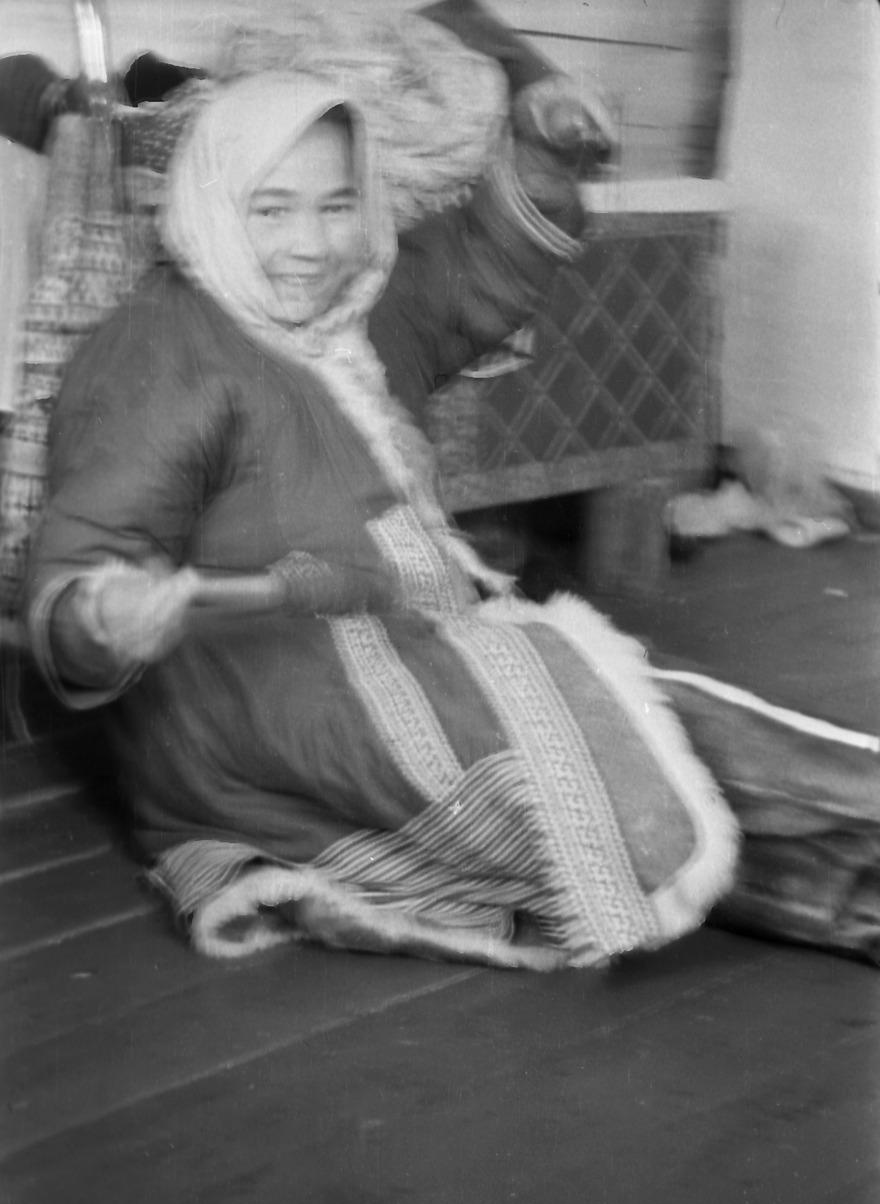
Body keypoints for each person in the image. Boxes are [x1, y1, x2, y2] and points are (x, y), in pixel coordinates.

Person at [23, 69, 744, 967]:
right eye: (271, 210)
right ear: (212, 201)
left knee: (666, 736)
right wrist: (102, 616)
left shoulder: (353, 310)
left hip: (399, 632)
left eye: (336, 206)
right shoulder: (154, 352)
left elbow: (472, 266)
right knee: (628, 756)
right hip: (254, 702)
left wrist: (544, 154)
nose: (311, 245)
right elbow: (83, 566)